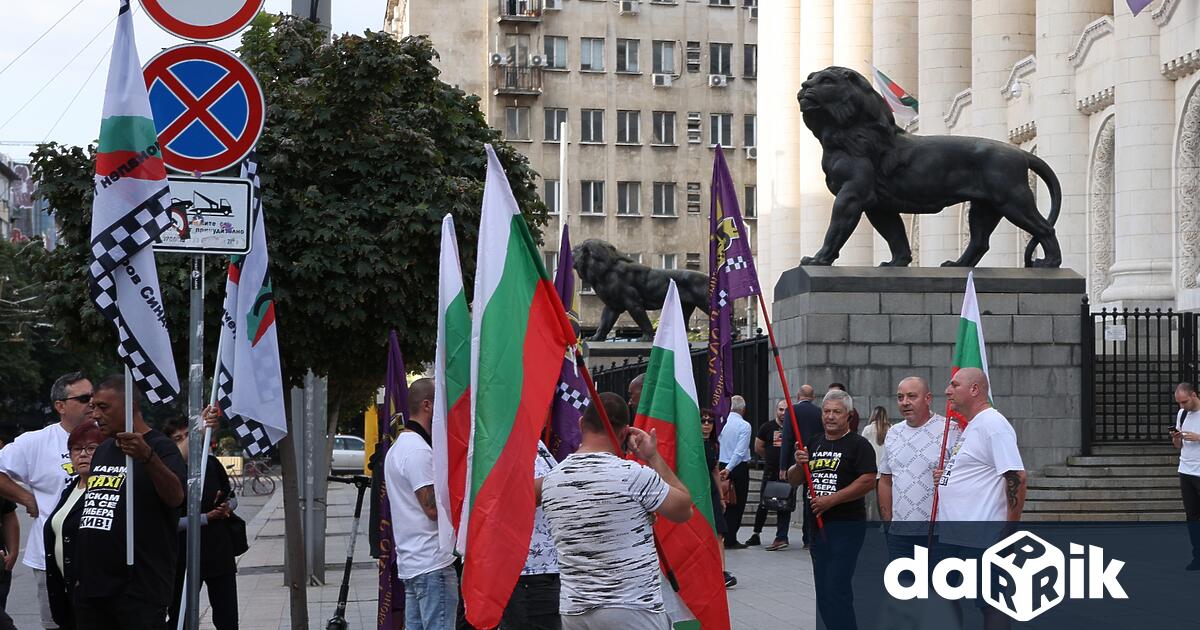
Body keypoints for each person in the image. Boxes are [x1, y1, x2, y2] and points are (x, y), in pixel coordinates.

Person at [538, 392, 693, 630]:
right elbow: (683, 509)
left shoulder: (552, 479)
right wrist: (652, 457)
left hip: (575, 609)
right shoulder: (633, 475)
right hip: (631, 607)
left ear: (581, 423)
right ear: (625, 432)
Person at [72, 375, 187, 629]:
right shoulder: (103, 450)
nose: (96, 415)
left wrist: (148, 457)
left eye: (104, 407)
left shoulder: (161, 447)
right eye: (93, 407)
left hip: (138, 589)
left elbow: (176, 497)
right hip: (93, 589)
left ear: (131, 407)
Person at [0, 372, 92, 630]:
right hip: (51, 559)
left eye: (94, 397)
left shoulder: (109, 437)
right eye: (84, 398)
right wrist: (25, 497)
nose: (92, 404)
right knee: (56, 625)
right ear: (60, 406)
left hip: (99, 558)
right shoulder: (36, 442)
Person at [936, 368, 1026, 630]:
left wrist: (1009, 532)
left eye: (954, 385)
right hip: (956, 535)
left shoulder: (993, 425)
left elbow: (1016, 476)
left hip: (982, 536)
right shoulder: (975, 425)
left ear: (974, 389)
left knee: (991, 602)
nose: (947, 391)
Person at [788, 389, 875, 630]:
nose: (830, 416)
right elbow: (794, 479)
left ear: (849, 415)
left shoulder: (859, 444)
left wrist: (832, 500)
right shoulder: (813, 442)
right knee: (824, 589)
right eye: (826, 411)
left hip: (846, 526)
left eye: (837, 412)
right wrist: (798, 463)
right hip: (817, 527)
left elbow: (868, 480)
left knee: (837, 587)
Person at [385, 378, 458, 630]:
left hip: (414, 564)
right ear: (427, 405)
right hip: (432, 564)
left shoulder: (398, 449)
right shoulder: (417, 451)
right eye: (442, 403)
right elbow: (431, 509)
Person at [165, 410, 239, 630]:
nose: (187, 441)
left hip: (218, 553)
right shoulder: (168, 473)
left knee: (227, 618)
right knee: (181, 616)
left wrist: (227, 506)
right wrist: (206, 518)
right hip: (183, 558)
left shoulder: (211, 464)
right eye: (178, 439)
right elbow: (169, 522)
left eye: (189, 435)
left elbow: (231, 498)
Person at [878, 377, 958, 560]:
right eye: (900, 397)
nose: (905, 402)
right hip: (900, 535)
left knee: (939, 588)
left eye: (912, 396)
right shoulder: (893, 433)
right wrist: (888, 520)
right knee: (903, 588)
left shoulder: (950, 430)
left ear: (928, 398)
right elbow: (885, 479)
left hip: (939, 535)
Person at [44, 421, 107, 630]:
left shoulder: (108, 490)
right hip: (66, 594)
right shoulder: (71, 489)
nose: (83, 454)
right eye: (77, 449)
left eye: (91, 448)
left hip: (94, 597)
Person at [500, 441, 561, 630]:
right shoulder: (505, 443)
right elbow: (518, 496)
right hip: (527, 575)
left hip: (548, 571)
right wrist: (571, 472)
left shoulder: (536, 443)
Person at [781, 384, 822, 549]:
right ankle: (808, 537)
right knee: (809, 498)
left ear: (798, 396)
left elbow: (787, 438)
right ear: (813, 397)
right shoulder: (819, 412)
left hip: (796, 459)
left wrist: (783, 465)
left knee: (788, 496)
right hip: (814, 457)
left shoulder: (792, 411)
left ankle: (782, 535)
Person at [747, 399, 791, 551]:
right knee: (763, 503)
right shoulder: (767, 427)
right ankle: (756, 534)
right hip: (770, 470)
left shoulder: (793, 428)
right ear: (776, 411)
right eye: (780, 409)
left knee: (784, 504)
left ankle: (781, 536)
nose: (783, 413)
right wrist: (770, 457)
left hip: (787, 472)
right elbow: (758, 446)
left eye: (786, 410)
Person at [700, 409, 735, 588]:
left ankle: (721, 571)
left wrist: (721, 497)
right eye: (703, 421)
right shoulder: (693, 443)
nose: (706, 425)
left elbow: (715, 470)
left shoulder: (713, 445)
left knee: (719, 533)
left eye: (710, 422)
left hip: (712, 492)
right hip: (697, 491)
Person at [1170, 382, 1200, 571]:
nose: (1182, 406)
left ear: (1194, 395)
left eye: (1185, 402)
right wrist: (1176, 439)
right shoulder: (1182, 414)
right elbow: (1178, 447)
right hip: (1186, 471)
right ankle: (1197, 556)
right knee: (1192, 517)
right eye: (1179, 403)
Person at [717, 396, 752, 548]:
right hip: (737, 466)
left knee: (723, 501)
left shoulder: (721, 422)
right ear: (743, 410)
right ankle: (731, 537)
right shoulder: (744, 426)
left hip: (720, 463)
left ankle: (721, 534)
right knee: (737, 503)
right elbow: (740, 451)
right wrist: (729, 468)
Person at [860, 406, 890, 521]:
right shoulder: (890, 428)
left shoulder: (868, 429)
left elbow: (862, 447)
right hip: (886, 469)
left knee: (873, 499)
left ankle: (874, 520)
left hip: (873, 468)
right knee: (885, 498)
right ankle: (885, 521)